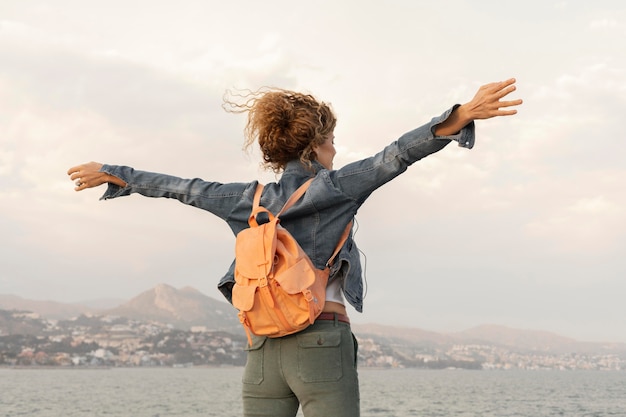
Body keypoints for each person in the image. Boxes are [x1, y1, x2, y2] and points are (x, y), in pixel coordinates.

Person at [68, 78, 522, 417]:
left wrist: (115, 172)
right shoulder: (336, 188)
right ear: (318, 146)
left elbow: (182, 187)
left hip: (262, 349)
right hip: (321, 342)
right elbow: (394, 156)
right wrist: (459, 116)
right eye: (332, 143)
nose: (335, 152)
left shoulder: (246, 200)